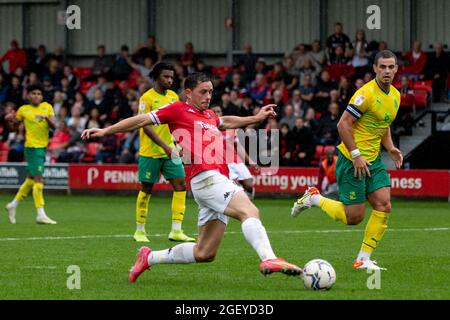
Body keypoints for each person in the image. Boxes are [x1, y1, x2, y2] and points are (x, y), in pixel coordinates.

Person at [82, 72, 302, 282]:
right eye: (203, 92)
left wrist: (256, 117)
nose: (208, 96)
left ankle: (148, 257)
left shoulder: (209, 115)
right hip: (206, 177)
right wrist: (105, 131)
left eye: (210, 92)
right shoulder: (177, 109)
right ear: (188, 93)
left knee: (205, 252)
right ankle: (269, 259)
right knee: (250, 210)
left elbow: (225, 121)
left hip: (212, 182)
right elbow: (140, 120)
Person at [291, 50, 403, 270]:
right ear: (375, 69)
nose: (387, 71)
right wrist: (356, 155)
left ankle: (363, 259)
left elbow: (383, 124)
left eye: (391, 67)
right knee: (354, 217)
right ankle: (314, 198)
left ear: (396, 69)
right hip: (352, 159)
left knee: (383, 205)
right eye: (383, 67)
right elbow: (343, 124)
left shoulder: (396, 96)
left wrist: (390, 148)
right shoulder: (365, 94)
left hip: (373, 160)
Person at [131, 62, 195, 243]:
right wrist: (165, 147)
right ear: (157, 76)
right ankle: (140, 230)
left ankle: (176, 230)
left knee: (181, 185)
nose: (169, 80)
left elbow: (178, 122)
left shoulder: (174, 97)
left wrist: (179, 144)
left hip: (171, 151)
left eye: (172, 77)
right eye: (166, 76)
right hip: (150, 152)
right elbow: (144, 126)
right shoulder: (147, 98)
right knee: (147, 189)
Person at [4, 85, 58, 225]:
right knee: (39, 180)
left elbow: (54, 126)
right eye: (33, 93)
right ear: (28, 95)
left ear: (42, 96)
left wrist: (46, 117)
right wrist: (8, 119)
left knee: (30, 179)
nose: (36, 96)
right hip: (32, 148)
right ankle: (40, 214)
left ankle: (13, 205)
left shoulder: (47, 107)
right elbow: (14, 128)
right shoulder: (24, 110)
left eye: (39, 93)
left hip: (42, 147)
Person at [211, 105, 258, 199]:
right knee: (235, 187)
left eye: (218, 111)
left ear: (222, 113)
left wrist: (250, 161)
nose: (217, 113)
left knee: (249, 186)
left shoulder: (231, 128)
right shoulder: (210, 129)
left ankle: (248, 202)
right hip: (223, 163)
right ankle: (242, 206)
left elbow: (238, 146)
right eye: (214, 112)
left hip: (237, 161)